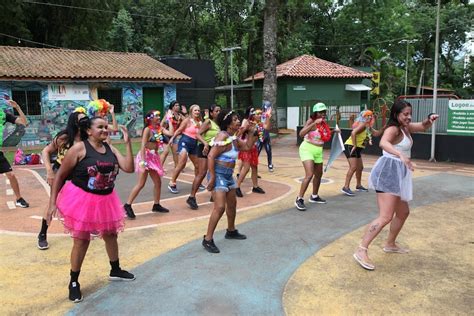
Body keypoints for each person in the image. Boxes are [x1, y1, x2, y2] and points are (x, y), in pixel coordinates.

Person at [47, 116, 135, 302]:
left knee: (111, 234)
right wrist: (52, 202)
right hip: (83, 199)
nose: (105, 130)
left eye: (106, 127)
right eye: (100, 127)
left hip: (106, 199)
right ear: (89, 130)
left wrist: (127, 143)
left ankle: (115, 269)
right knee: (81, 240)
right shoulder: (79, 149)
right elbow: (61, 175)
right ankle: (73, 281)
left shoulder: (110, 148)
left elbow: (128, 168)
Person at [353, 100, 439, 271]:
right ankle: (361, 250)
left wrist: (429, 119)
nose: (409, 117)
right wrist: (401, 154)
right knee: (385, 216)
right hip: (388, 172)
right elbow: (383, 143)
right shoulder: (393, 129)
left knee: (403, 212)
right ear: (396, 115)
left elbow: (422, 126)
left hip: (399, 173)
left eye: (409, 113)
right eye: (405, 114)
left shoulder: (405, 127)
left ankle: (390, 244)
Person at [202, 110, 257, 253]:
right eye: (235, 120)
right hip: (219, 174)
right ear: (228, 123)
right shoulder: (222, 136)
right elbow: (210, 156)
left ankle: (231, 231)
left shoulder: (233, 138)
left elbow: (247, 147)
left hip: (228, 175)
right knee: (219, 207)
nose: (238, 121)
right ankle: (207, 239)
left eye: (238, 119)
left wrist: (251, 132)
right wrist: (212, 177)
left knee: (232, 204)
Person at [37, 108, 86, 250]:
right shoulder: (64, 137)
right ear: (74, 122)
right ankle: (42, 233)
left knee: (84, 200)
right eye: (81, 119)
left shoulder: (87, 137)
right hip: (60, 171)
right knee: (53, 201)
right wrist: (49, 171)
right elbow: (45, 151)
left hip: (77, 171)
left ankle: (84, 228)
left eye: (85, 118)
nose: (84, 121)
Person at [124, 110, 173, 219]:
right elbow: (142, 146)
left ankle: (156, 205)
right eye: (156, 116)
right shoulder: (147, 130)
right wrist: (143, 161)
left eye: (159, 116)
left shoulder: (160, 129)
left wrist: (169, 120)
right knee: (141, 183)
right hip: (145, 156)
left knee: (158, 182)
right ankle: (127, 205)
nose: (159, 117)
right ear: (150, 118)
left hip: (154, 157)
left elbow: (171, 133)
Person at [295, 102, 334, 211]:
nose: (323, 114)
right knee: (309, 174)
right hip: (307, 149)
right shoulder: (311, 121)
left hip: (318, 150)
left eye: (324, 112)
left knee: (319, 175)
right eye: (320, 112)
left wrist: (333, 131)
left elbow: (322, 136)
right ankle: (300, 199)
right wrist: (313, 124)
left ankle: (314, 196)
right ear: (315, 113)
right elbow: (301, 134)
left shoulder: (323, 123)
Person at [186, 104, 221, 210]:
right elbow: (198, 135)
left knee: (216, 171)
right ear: (211, 113)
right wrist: (205, 144)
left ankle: (213, 195)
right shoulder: (208, 122)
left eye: (219, 111)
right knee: (202, 173)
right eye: (216, 111)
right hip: (204, 149)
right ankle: (191, 197)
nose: (218, 113)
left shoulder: (218, 124)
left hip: (214, 150)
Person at [341, 110, 382, 196]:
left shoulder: (368, 127)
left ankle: (358, 185)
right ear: (364, 117)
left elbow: (376, 134)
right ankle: (346, 187)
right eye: (368, 116)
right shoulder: (363, 125)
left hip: (357, 148)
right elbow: (353, 133)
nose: (370, 117)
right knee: (353, 167)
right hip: (351, 146)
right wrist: (355, 145)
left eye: (371, 116)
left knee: (360, 167)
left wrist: (385, 127)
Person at [167, 104, 206, 194]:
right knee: (182, 163)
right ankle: (172, 183)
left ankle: (198, 182)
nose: (197, 112)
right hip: (185, 142)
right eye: (195, 110)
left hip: (194, 144)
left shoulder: (200, 122)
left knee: (197, 165)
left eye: (198, 110)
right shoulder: (187, 120)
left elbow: (201, 134)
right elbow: (179, 130)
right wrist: (172, 139)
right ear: (191, 111)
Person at [235, 107, 271, 198]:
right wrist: (237, 142)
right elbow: (238, 133)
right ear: (253, 115)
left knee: (254, 168)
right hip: (246, 148)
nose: (259, 115)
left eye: (260, 114)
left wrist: (268, 117)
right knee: (246, 168)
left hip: (253, 149)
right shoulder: (248, 124)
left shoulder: (259, 125)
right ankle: (237, 187)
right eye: (257, 114)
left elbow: (267, 127)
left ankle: (255, 186)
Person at [0, 99, 29, 208]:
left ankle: (19, 199)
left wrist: (17, 107)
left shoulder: (3, 115)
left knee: (11, 175)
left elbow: (24, 122)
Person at [164, 101, 185, 167]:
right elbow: (163, 124)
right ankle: (175, 166)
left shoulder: (180, 115)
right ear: (172, 107)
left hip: (176, 135)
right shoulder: (169, 114)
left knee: (177, 152)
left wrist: (185, 113)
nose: (178, 106)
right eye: (176, 105)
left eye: (178, 105)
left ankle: (177, 166)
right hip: (168, 135)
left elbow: (187, 121)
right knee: (167, 152)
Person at [258, 100, 274, 172]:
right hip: (261, 134)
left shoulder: (268, 115)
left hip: (266, 135)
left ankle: (270, 164)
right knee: (258, 150)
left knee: (268, 150)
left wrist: (268, 117)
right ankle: (253, 163)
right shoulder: (260, 115)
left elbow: (268, 126)